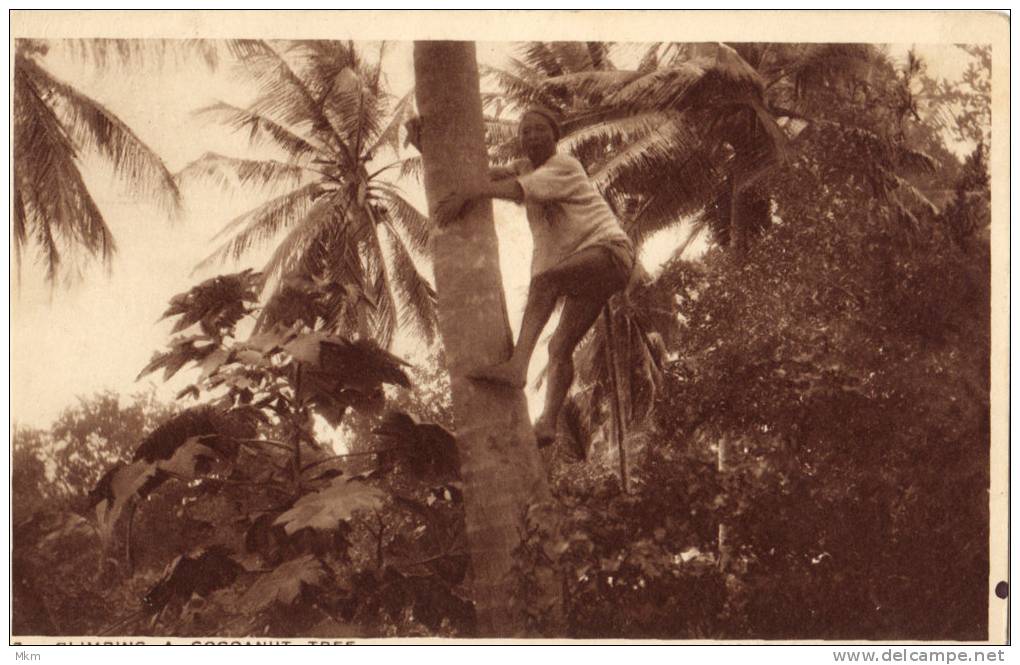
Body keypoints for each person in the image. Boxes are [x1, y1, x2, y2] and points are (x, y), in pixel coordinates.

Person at [411, 107, 635, 447]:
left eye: (538, 130)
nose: (530, 136)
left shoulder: (564, 166)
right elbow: (479, 174)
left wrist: (470, 195)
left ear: (555, 136)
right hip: (591, 270)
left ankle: (517, 367)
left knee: (546, 281)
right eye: (525, 131)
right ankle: (546, 423)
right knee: (560, 346)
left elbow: (513, 190)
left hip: (610, 254)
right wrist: (427, 150)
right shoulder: (525, 168)